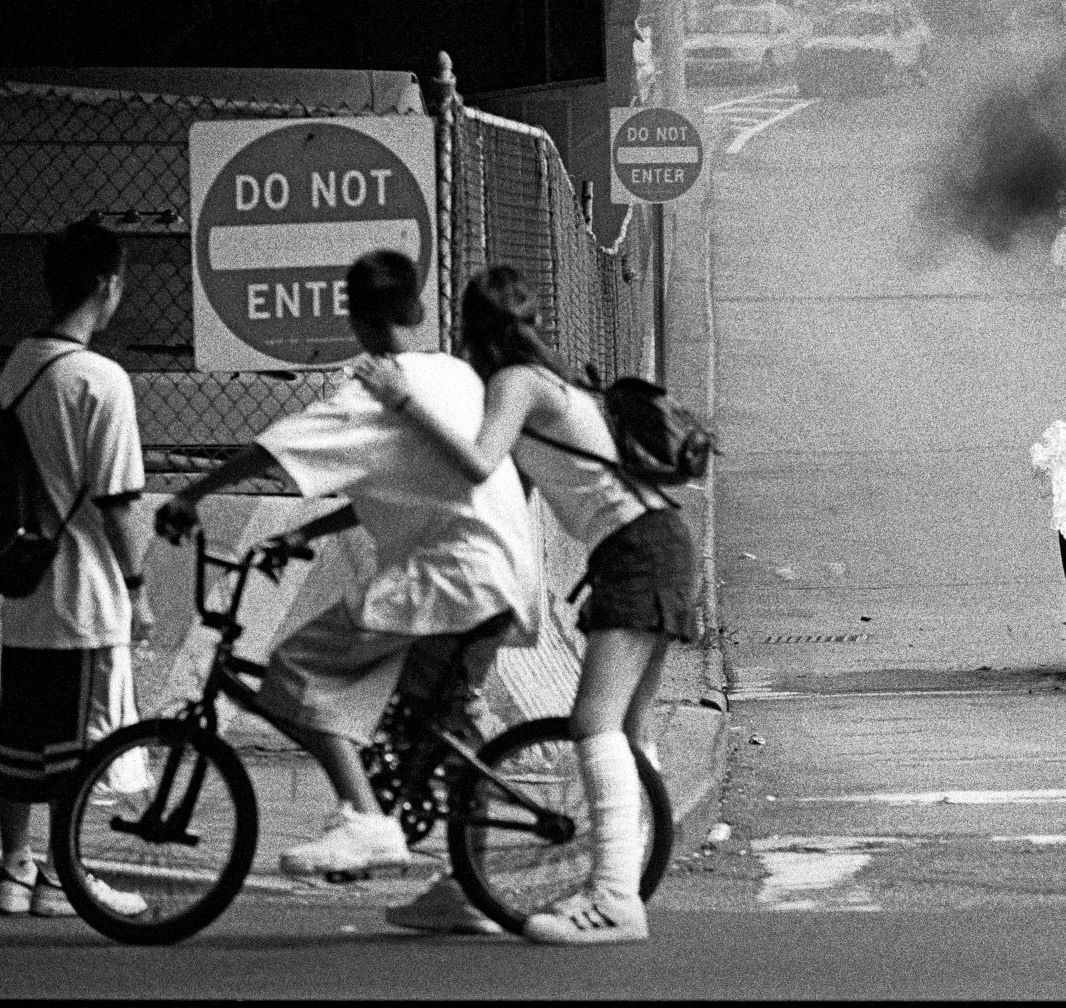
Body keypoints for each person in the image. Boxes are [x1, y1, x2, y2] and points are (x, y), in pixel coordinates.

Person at [153, 249, 539, 881]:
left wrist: (191, 494)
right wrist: (307, 531)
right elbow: (404, 483)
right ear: (418, 307)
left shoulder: (375, 392)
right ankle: (472, 887)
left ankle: (363, 818)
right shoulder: (456, 375)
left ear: (352, 316)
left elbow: (272, 449)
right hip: (498, 575)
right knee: (435, 727)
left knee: (298, 669)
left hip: (451, 579)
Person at [355, 264, 701, 946]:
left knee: (593, 724)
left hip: (636, 549)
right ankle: (622, 881)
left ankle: (613, 900)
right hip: (656, 542)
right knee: (630, 731)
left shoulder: (515, 383)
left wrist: (402, 401)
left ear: (471, 331)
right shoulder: (562, 385)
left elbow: (481, 462)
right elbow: (508, 488)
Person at [0, 218, 154, 919]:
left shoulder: (20, 362)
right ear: (107, 286)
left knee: (22, 739)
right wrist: (140, 591)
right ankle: (64, 877)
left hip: (25, 588)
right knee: (80, 749)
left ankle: (12, 873)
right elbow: (118, 503)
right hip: (85, 595)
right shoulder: (101, 381)